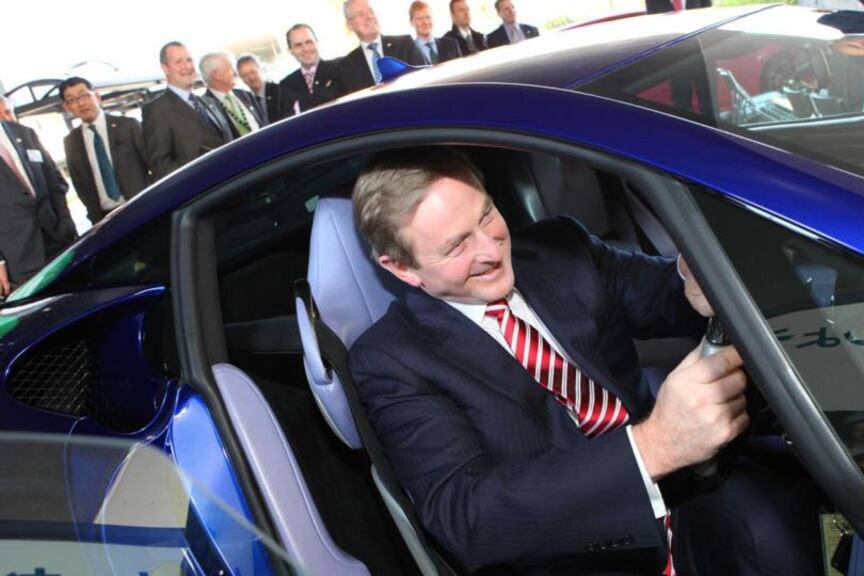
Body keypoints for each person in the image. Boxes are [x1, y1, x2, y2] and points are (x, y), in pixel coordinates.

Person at [349, 148, 819, 574]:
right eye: (456, 246)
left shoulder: (558, 249)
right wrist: (653, 446)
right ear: (401, 268)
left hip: (687, 501)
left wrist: (694, 276)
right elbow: (468, 520)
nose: (491, 250)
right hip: (579, 553)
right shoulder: (391, 359)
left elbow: (668, 296)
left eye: (487, 215)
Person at [0, 116, 77, 297]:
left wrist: (66, 222)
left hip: (60, 240)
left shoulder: (25, 133)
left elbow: (54, 184)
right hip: (17, 258)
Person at [59, 77, 150, 225]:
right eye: (72, 100)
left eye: (84, 95)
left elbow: (152, 163)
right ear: (67, 107)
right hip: (106, 219)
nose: (81, 103)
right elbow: (80, 184)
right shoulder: (71, 141)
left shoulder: (128, 126)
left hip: (143, 207)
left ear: (97, 96)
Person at [143, 41, 233, 180]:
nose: (187, 66)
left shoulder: (210, 102)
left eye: (189, 60)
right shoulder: (157, 110)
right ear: (165, 68)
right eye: (179, 62)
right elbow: (160, 166)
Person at [338, 0, 427, 94]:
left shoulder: (405, 44)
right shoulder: (345, 67)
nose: (369, 16)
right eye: (361, 14)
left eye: (371, 11)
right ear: (349, 25)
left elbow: (426, 78)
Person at [280, 24, 347, 112]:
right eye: (298, 45)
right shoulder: (286, 85)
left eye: (309, 42)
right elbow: (286, 118)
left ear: (317, 42)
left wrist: (299, 106)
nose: (306, 49)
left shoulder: (339, 67)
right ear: (290, 50)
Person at [199, 52, 265, 138]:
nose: (235, 72)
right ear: (216, 75)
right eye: (230, 67)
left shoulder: (245, 95)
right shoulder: (204, 108)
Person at [236, 54, 296, 124]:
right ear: (241, 78)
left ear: (261, 70)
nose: (251, 78)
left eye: (253, 72)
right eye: (245, 75)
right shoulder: (245, 101)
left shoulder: (279, 91)